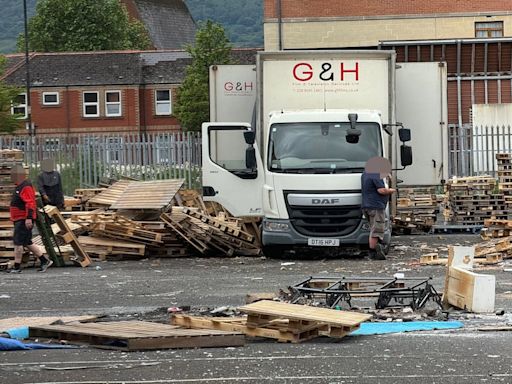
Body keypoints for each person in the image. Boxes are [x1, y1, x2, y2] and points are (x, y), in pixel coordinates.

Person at [9, 165, 53, 273]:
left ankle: (17, 267)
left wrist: (28, 218)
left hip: (23, 219)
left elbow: (30, 203)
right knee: (27, 242)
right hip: (20, 219)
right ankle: (44, 261)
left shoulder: (26, 186)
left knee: (18, 243)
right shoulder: (19, 186)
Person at [361, 157, 396, 260]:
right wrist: (391, 190)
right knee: (376, 230)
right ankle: (373, 252)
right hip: (376, 206)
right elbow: (381, 190)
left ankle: (377, 247)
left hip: (367, 205)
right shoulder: (376, 174)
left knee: (373, 228)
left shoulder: (365, 174)